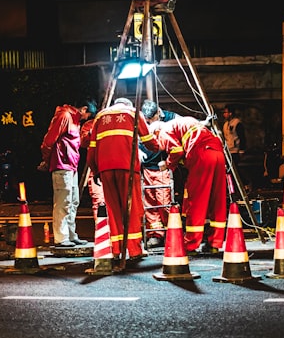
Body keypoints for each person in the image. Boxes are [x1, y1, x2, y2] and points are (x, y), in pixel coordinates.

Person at [86, 97, 160, 262]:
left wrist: (96, 170)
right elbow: (149, 142)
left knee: (113, 209)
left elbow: (92, 150)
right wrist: (159, 146)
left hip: (105, 169)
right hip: (127, 166)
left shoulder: (99, 116)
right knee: (132, 207)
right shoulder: (133, 113)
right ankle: (134, 250)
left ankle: (117, 249)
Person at [150, 113, 229, 254]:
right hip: (218, 152)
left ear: (156, 133)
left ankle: (191, 244)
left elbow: (176, 151)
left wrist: (167, 164)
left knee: (196, 200)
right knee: (217, 200)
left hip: (201, 155)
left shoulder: (164, 130)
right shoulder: (184, 122)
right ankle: (215, 243)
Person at [40, 99, 96, 247]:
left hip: (72, 165)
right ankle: (61, 237)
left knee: (73, 201)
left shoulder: (75, 120)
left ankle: (71, 235)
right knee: (63, 202)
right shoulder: (64, 116)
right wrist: (46, 160)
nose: (86, 119)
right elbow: (49, 140)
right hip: (61, 164)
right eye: (88, 115)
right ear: (83, 109)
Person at [139, 99, 177, 249]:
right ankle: (156, 234)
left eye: (151, 120)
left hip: (162, 168)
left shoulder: (171, 118)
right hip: (147, 167)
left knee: (164, 202)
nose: (148, 124)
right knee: (150, 203)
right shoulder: (141, 120)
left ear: (158, 113)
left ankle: (172, 231)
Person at [77, 99, 103, 222]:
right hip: (96, 168)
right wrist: (92, 132)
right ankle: (102, 231)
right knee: (99, 201)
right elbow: (83, 142)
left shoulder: (109, 123)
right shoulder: (89, 125)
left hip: (111, 166)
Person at [221, 104, 247, 188]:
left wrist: (242, 150)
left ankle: (244, 183)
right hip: (228, 150)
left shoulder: (237, 123)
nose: (224, 114)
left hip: (235, 150)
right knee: (229, 169)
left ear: (230, 113)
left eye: (226, 112)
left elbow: (242, 137)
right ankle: (232, 186)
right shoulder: (225, 125)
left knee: (234, 168)